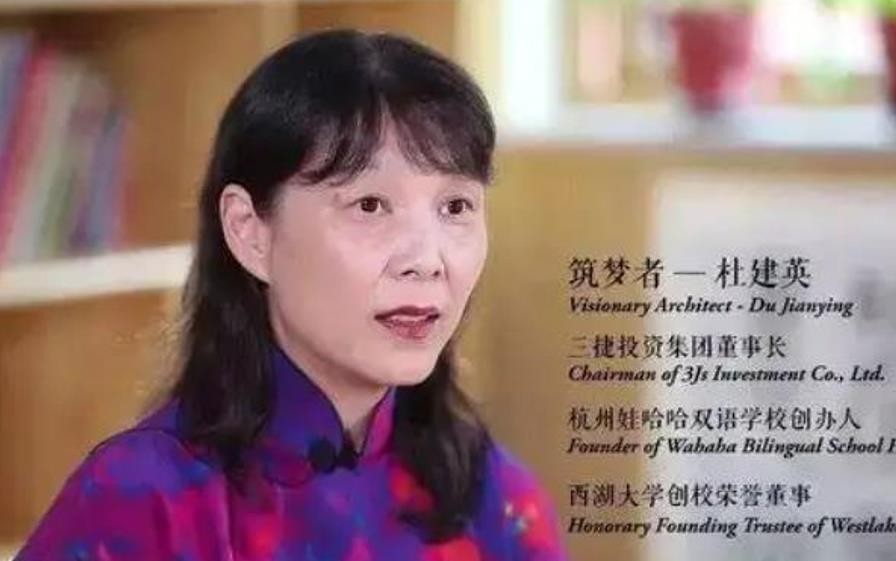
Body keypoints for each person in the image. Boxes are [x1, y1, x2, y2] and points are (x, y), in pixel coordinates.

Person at [14, 29, 569, 561]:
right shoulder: (138, 501)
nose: (427, 260)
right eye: (370, 206)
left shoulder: (497, 500)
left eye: (456, 207)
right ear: (249, 232)